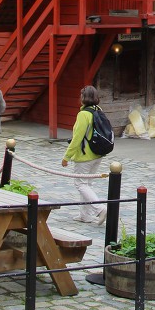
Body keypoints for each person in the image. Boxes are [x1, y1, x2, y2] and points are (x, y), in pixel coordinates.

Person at [61, 85, 108, 224]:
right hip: (97, 153)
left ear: (83, 98)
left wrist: (66, 157)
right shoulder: (98, 110)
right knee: (87, 184)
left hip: (85, 155)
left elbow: (77, 138)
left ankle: (99, 208)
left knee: (80, 184)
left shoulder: (83, 114)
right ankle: (85, 215)